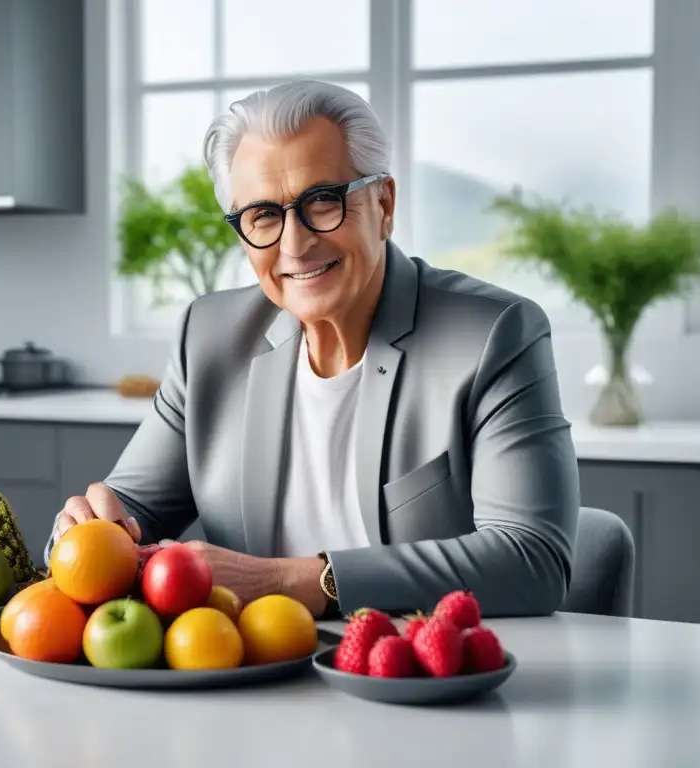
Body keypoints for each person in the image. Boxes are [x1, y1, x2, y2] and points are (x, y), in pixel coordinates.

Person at [45, 80, 580, 619]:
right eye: (263, 216)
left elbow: (532, 560)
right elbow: (129, 514)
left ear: (384, 203)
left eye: (323, 201)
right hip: (251, 678)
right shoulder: (208, 337)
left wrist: (294, 579)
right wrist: (86, 535)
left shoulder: (493, 333)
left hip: (422, 681)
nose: (295, 244)